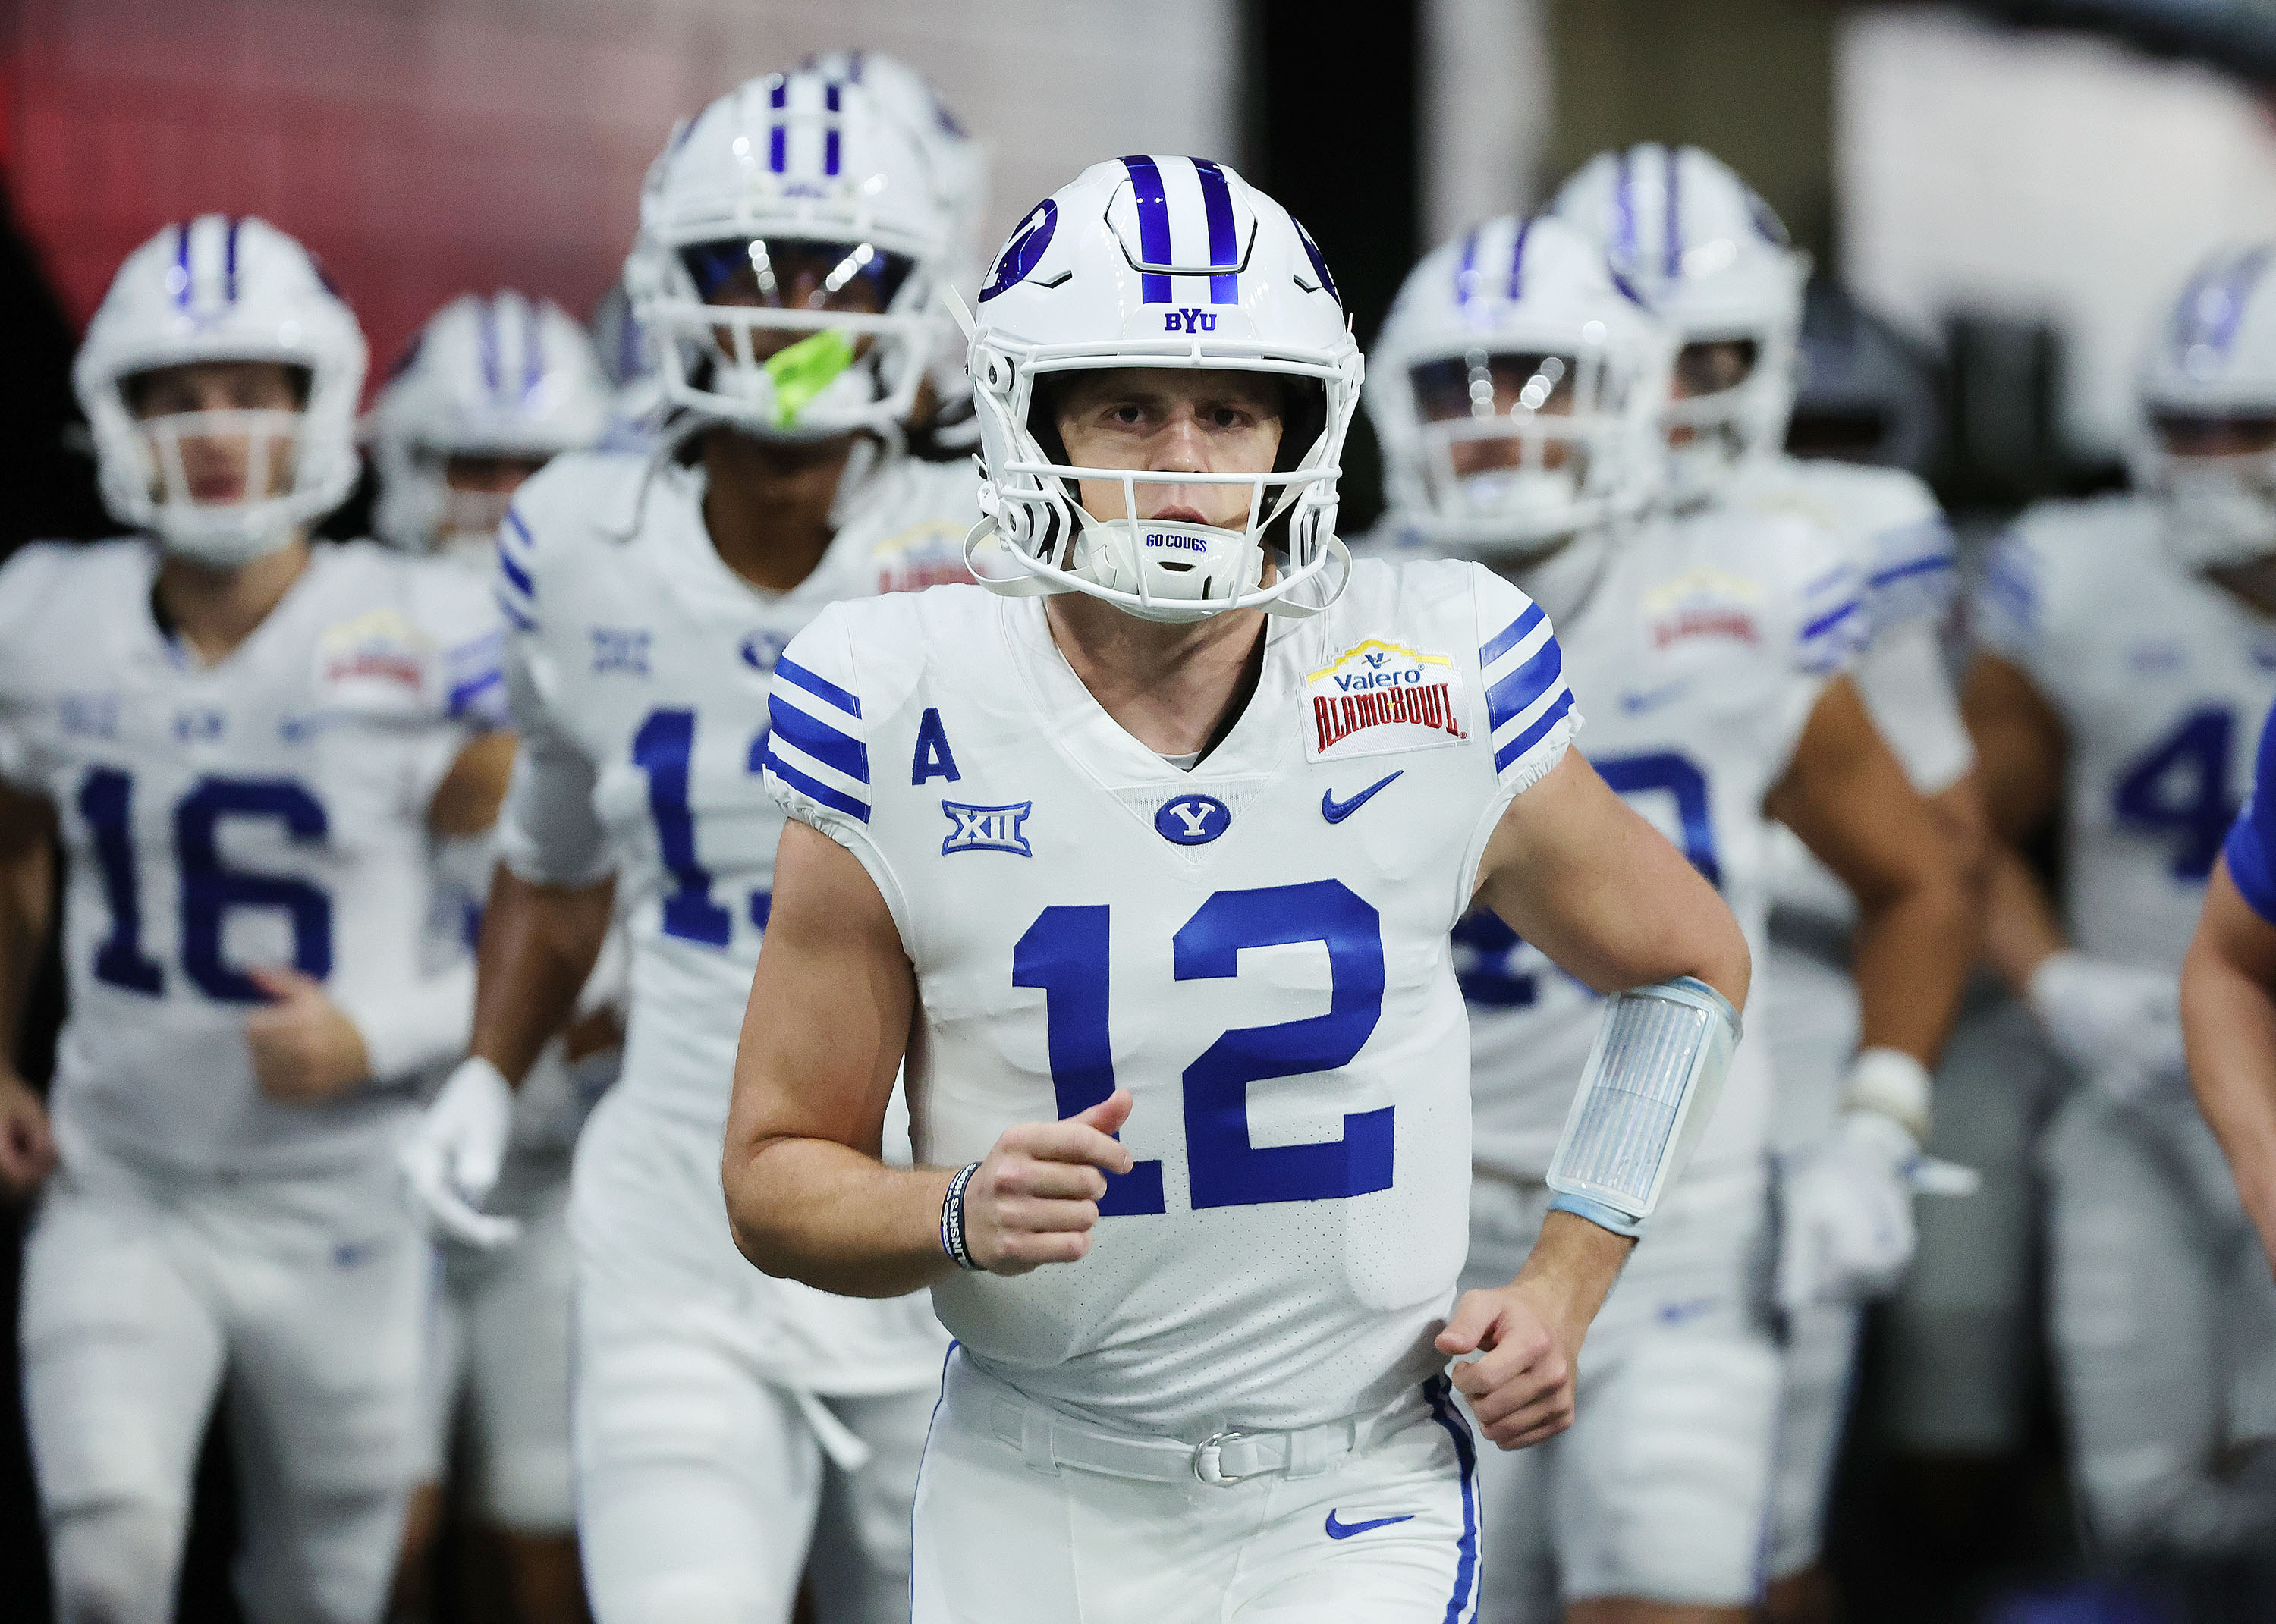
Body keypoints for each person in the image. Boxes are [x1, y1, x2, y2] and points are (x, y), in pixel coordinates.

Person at [723, 153, 1752, 1624]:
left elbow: (1689, 965)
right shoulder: (899, 702)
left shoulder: (1433, 665)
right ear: (1032, 420)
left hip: (1352, 1488)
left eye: (1230, 409)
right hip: (1040, 1476)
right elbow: (772, 1175)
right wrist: (947, 1208)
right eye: (1130, 407)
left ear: (1303, 427)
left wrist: (1566, 1281)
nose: (1186, 462)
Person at [395, 69, 979, 1624]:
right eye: (750, 270)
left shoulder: (997, 540)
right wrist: (485, 1068)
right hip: (678, 1197)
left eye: (841, 277)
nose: (794, 315)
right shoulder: (577, 537)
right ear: (668, 287)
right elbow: (557, 846)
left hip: (953, 1219)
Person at [1367, 210, 1974, 1623]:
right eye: (1462, 387)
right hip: (1409, 1236)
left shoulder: (1748, 588)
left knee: (1671, 1592)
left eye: (1541, 380)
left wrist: (1879, 1124)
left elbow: (1918, 876)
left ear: (1634, 397)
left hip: (1677, 1219)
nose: (1501, 428)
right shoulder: (1333, 610)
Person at [0, 215, 511, 1624]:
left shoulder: (433, 626)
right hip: (127, 1184)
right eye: (176, 392)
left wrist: (384, 1029)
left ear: (317, 403)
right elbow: (19, 854)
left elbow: (559, 911)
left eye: (250, 388)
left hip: (347, 1193)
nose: (214, 427)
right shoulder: (42, 616)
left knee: (330, 1591)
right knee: (105, 1560)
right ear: (117, 412)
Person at [1550, 145, 1988, 1624]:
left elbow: (1944, 841)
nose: (1674, 396)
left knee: (1747, 1502)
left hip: (1775, 1021)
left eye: (1713, 355)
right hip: (1522, 1045)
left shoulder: (1834, 539)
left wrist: (1880, 1112)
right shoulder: (1455, 547)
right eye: (1639, 353)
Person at [1967, 243, 2276, 1557]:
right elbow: (1962, 834)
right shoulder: (2080, 576)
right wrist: (2058, 985)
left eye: (2246, 426)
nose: (2208, 458)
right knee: (2137, 1482)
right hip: (2127, 1075)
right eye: (2182, 425)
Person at [369, 288, 618, 1624]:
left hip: (560, 1154)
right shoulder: (353, 619)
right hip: (365, 1142)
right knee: (367, 1529)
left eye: (538, 468)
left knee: (546, 1523)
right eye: (475, 465)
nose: (507, 498)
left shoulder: (632, 626)